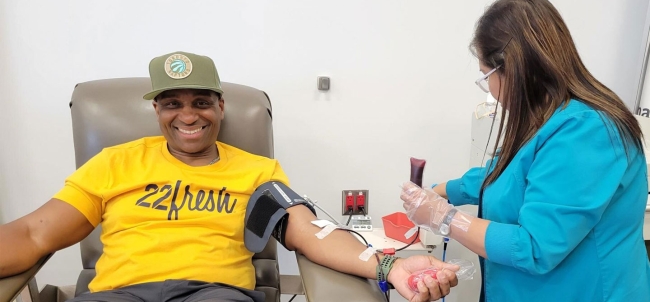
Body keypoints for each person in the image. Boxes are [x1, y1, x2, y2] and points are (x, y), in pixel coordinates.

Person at [0, 51, 458, 302]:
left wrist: (390, 265)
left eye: (200, 101)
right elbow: (32, 233)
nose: (187, 115)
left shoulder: (258, 170)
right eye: (172, 103)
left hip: (213, 296)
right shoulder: (114, 162)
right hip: (119, 295)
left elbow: (310, 234)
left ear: (220, 107)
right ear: (156, 110)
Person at [401, 0, 650, 302]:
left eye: (485, 76)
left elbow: (535, 246)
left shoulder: (588, 131)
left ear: (514, 68)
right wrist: (440, 191)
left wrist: (445, 218)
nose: (489, 90)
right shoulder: (549, 118)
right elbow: (511, 176)